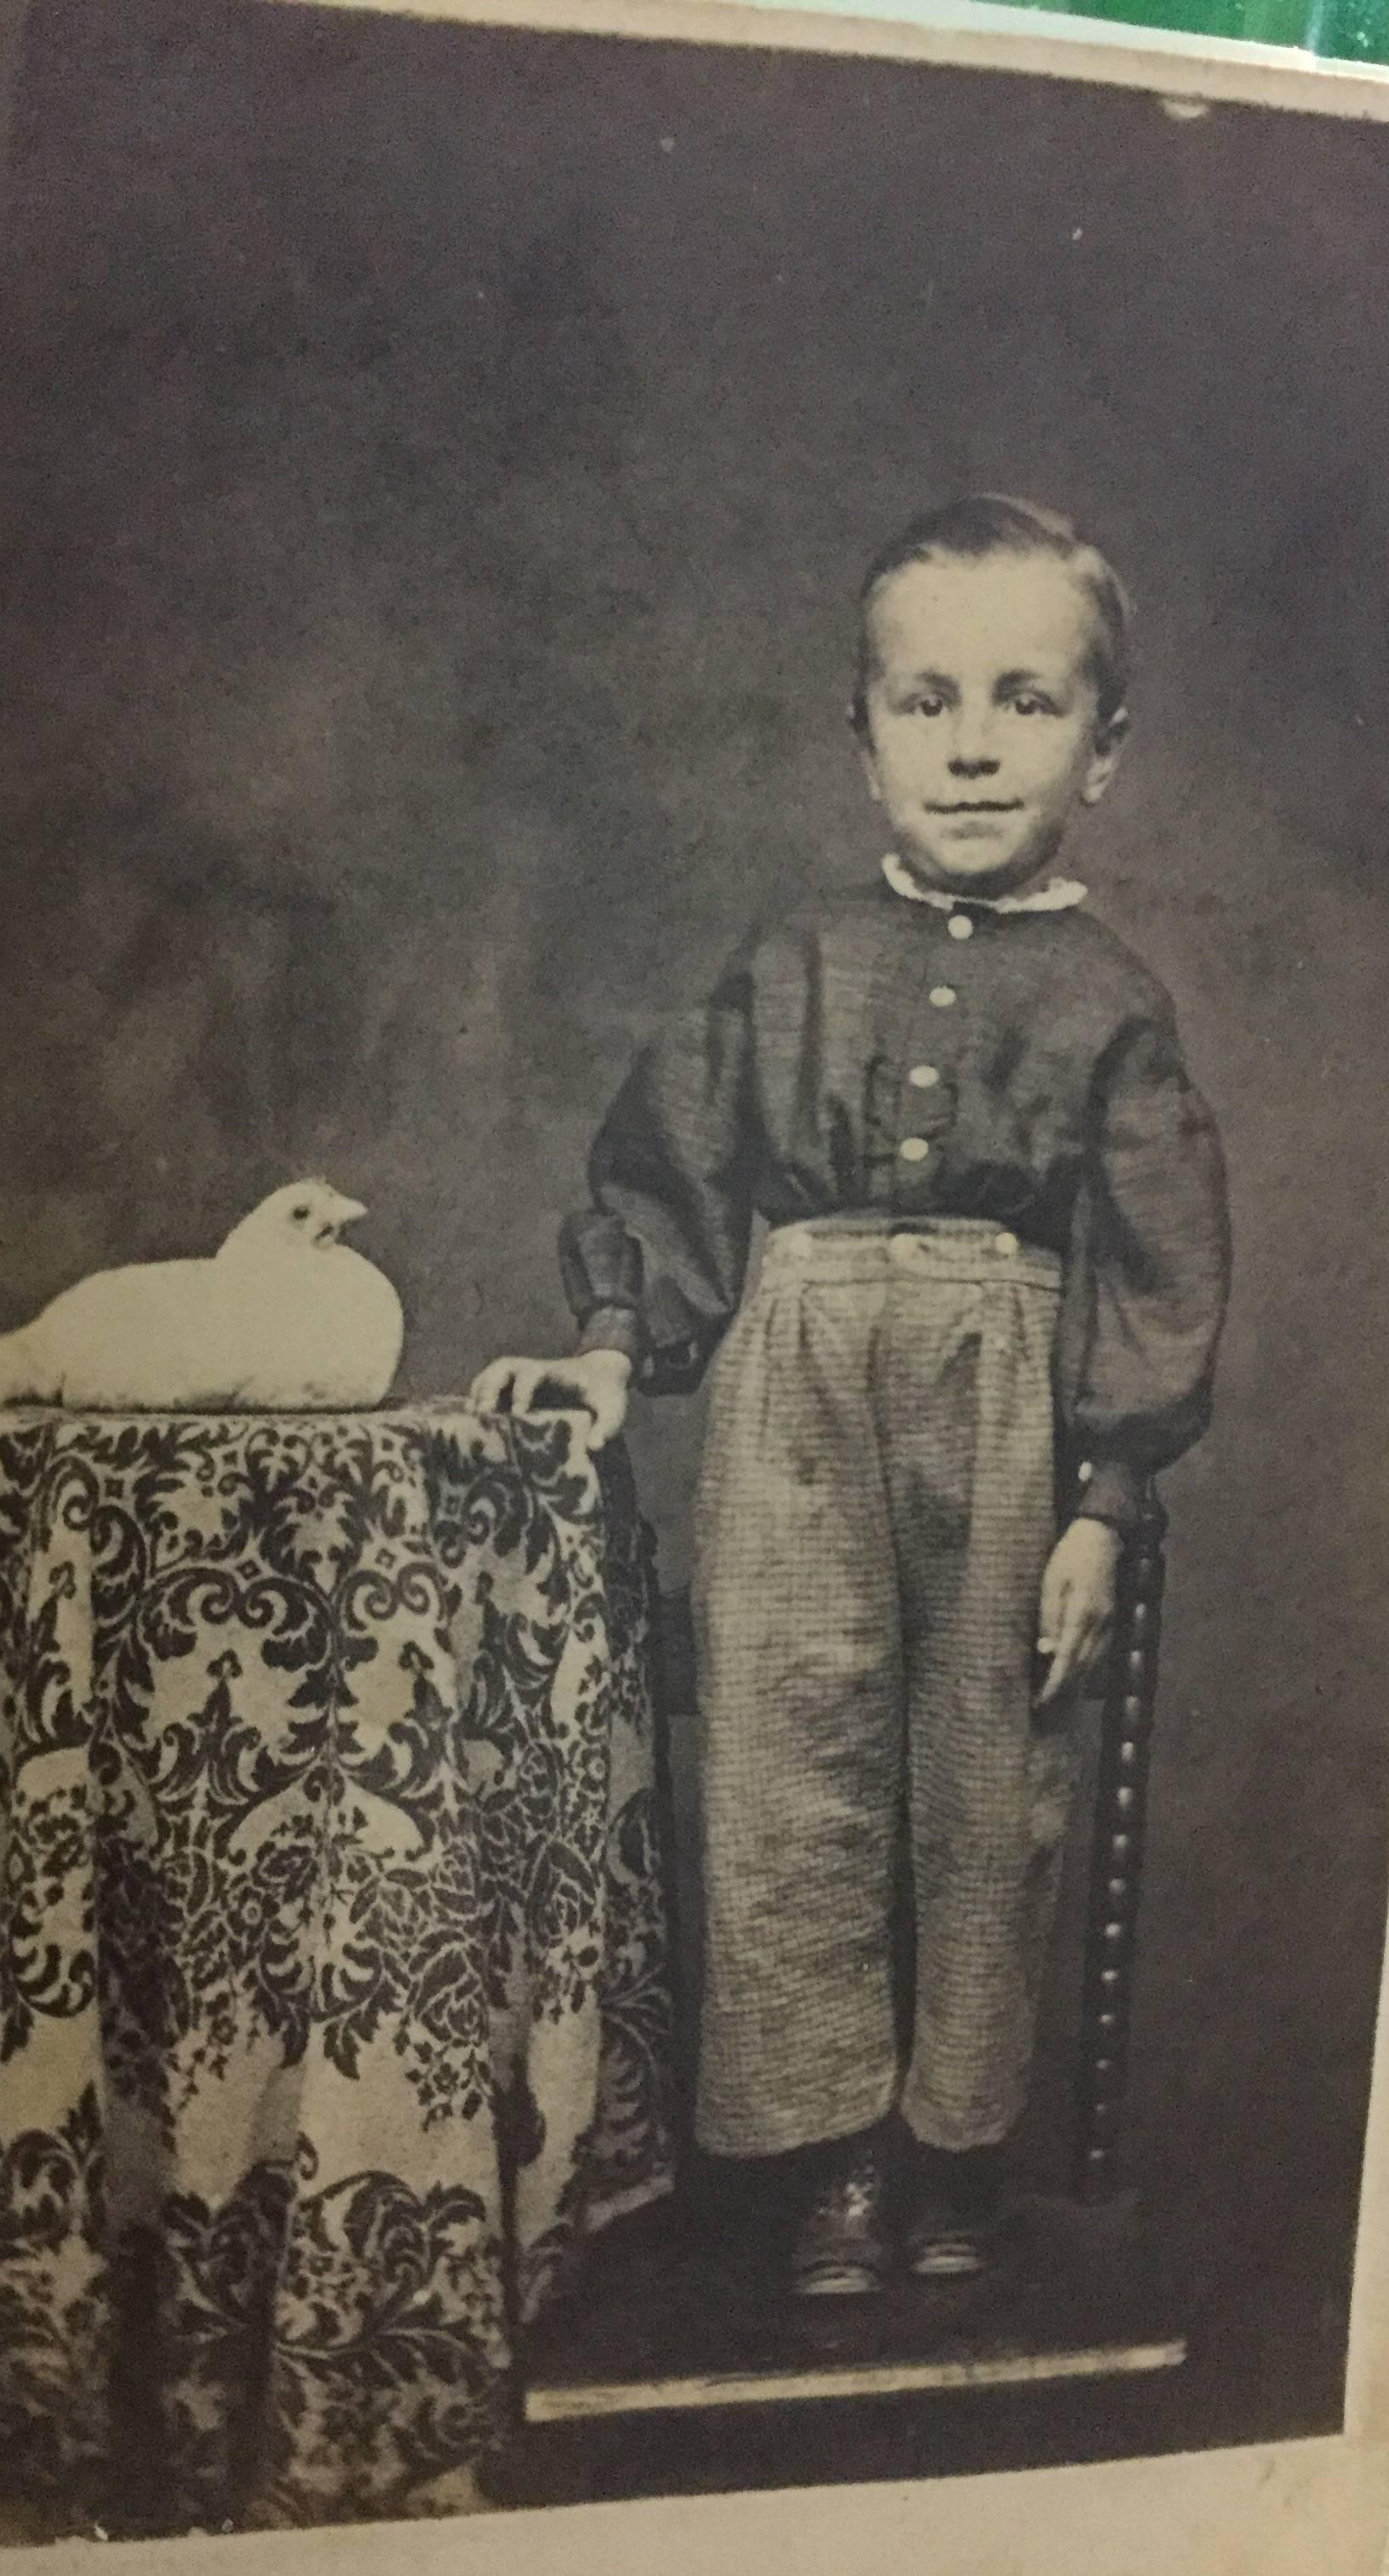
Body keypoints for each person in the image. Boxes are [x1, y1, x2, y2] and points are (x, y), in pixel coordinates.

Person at [473, 494, 1230, 2299]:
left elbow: (1155, 1258)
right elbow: (675, 1170)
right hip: (792, 1389)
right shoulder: (789, 961)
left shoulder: (1113, 1001)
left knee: (987, 1787)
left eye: (1029, 704)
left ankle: (951, 2150)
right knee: (789, 1763)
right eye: (928, 701)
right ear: (864, 730)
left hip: (1006, 1407)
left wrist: (1103, 1506)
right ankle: (832, 2172)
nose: (973, 745)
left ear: (1105, 751)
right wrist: (605, 1348)